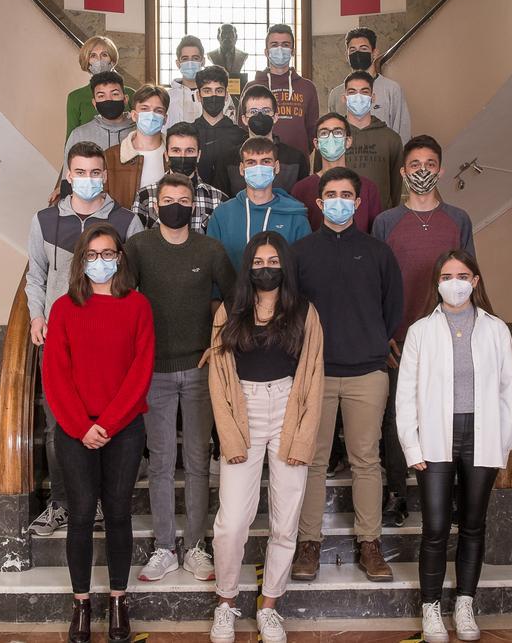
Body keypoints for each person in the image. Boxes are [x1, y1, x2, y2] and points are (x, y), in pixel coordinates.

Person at [208, 231, 324, 643]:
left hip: (289, 409)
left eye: (273, 261)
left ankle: (270, 605)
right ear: (248, 267)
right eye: (258, 262)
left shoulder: (304, 312)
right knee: (231, 523)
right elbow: (219, 380)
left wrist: (303, 436)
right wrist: (229, 435)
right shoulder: (230, 310)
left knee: (285, 521)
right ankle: (226, 602)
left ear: (285, 266)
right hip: (244, 410)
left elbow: (313, 375)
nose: (266, 268)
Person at [396, 249, 512, 643]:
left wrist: (503, 445)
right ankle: (430, 607)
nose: (455, 282)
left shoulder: (496, 329)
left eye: (463, 275)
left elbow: (506, 392)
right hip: (435, 438)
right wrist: (412, 448)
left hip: (481, 437)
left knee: (473, 525)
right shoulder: (420, 331)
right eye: (447, 276)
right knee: (434, 527)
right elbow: (407, 396)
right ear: (437, 283)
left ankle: (465, 602)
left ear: (476, 281)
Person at [43, 223, 155, 643]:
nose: (101, 262)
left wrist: (107, 423)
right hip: (76, 431)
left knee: (119, 513)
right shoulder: (63, 308)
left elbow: (140, 370)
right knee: (82, 515)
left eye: (109, 253)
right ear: (81, 261)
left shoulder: (138, 306)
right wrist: (81, 426)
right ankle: (81, 605)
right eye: (92, 255)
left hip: (123, 430)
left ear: (120, 258)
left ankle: (119, 602)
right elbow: (55, 373)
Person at [27, 142, 144, 541]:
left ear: (106, 176)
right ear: (68, 174)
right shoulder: (44, 220)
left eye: (96, 172)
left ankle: (97, 501)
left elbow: (133, 280)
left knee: (111, 420)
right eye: (81, 172)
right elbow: (35, 276)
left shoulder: (127, 222)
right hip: (63, 334)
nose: (89, 179)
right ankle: (62, 503)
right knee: (61, 424)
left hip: (109, 340)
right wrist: (37, 314)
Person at [290, 168, 403, 584]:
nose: (339, 201)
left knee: (366, 460)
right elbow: (291, 312)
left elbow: (393, 308)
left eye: (347, 195)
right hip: (315, 374)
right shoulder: (300, 253)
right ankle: (308, 544)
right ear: (319, 204)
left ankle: (370, 543)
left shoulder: (378, 252)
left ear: (358, 203)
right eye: (331, 194)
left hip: (366, 373)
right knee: (313, 461)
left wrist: (374, 343)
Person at [124, 172, 237, 583]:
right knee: (159, 464)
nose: (176, 205)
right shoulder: (138, 247)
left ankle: (195, 547)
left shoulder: (210, 249)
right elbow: (122, 300)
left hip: (198, 370)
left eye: (184, 199)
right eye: (168, 199)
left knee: (196, 462)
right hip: (153, 372)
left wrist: (220, 341)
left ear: (194, 205)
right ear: (155, 206)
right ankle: (164, 548)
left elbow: (236, 299)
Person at [372, 135, 475, 528]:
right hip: (399, 338)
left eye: (430, 164)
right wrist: (383, 335)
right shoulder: (386, 222)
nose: (422, 171)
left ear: (441, 170)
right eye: (414, 164)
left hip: (449, 337)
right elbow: (376, 283)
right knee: (399, 417)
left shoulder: (458, 219)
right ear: (402, 171)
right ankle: (396, 492)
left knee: (447, 416)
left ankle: (446, 492)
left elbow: (467, 277)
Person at [206, 136, 312, 269]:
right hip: (232, 289)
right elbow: (213, 266)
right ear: (241, 169)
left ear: (277, 167)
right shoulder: (221, 215)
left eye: (266, 161)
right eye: (251, 162)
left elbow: (303, 267)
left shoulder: (296, 217)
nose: (258, 168)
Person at [209, 84, 309, 196]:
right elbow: (220, 201)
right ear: (244, 119)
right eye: (253, 112)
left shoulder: (295, 158)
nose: (260, 116)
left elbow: (301, 201)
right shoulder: (227, 160)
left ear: (275, 117)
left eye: (266, 111)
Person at [291, 112, 382, 232]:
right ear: (316, 143)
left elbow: (375, 235)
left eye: (338, 132)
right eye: (324, 133)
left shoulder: (368, 188)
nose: (331, 138)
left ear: (348, 141)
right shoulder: (301, 189)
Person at [129, 122, 228, 232]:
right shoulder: (145, 197)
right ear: (166, 155)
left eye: (189, 151)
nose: (182, 156)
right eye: (176, 150)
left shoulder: (218, 199)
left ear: (198, 155)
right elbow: (136, 242)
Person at [329, 71, 404, 210]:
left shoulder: (391, 139)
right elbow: (322, 176)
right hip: (340, 216)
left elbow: (396, 187)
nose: (358, 97)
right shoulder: (330, 137)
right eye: (352, 92)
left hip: (379, 218)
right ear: (344, 98)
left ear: (373, 97)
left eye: (364, 92)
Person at [57, 71, 136, 201]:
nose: (108, 100)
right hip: (93, 207)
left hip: (133, 204)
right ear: (94, 103)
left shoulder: (138, 131)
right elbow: (68, 182)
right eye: (101, 96)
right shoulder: (79, 134)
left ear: (125, 99)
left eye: (115, 94)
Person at [326, 28, 412, 143]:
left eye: (363, 48)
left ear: (375, 53)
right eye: (352, 50)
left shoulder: (392, 89)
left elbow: (403, 134)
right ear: (347, 56)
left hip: (384, 158)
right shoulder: (336, 94)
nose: (357, 53)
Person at [249, 24, 318, 157]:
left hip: (298, 163)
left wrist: (300, 155)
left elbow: (312, 130)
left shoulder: (307, 87)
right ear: (266, 51)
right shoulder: (252, 87)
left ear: (292, 51)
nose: (280, 49)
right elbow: (244, 127)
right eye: (274, 45)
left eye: (285, 44)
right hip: (260, 162)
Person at [104, 85, 170, 209]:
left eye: (158, 111)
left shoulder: (175, 154)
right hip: (126, 227)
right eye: (145, 109)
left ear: (165, 119)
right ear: (134, 115)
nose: (151, 115)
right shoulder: (111, 157)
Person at [65, 36, 134, 138]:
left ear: (112, 60)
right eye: (93, 56)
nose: (99, 60)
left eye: (104, 55)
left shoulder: (131, 93)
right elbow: (71, 137)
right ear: (87, 61)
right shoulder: (75, 97)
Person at [191, 65, 247, 183]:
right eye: (207, 91)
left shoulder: (241, 136)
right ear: (198, 96)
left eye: (219, 90)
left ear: (226, 95)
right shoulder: (190, 133)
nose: (213, 95)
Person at [166, 36, 237, 128]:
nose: (190, 63)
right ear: (178, 63)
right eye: (185, 59)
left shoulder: (219, 95)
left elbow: (230, 126)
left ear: (203, 62)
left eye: (195, 58)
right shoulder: (168, 97)